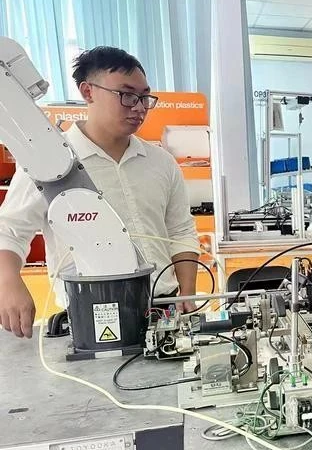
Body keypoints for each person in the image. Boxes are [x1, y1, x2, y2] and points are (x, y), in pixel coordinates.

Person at [0, 46, 200, 338]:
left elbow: (180, 231)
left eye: (145, 97)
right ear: (88, 91)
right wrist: (8, 281)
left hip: (163, 312)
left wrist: (188, 294)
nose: (140, 106)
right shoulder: (51, 162)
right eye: (127, 95)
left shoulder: (161, 163)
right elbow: (10, 230)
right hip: (89, 316)